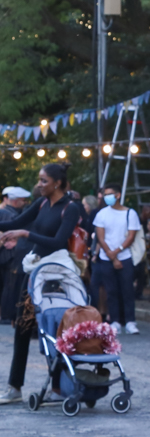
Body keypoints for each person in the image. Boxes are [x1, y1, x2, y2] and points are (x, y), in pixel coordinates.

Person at [0, 164, 81, 405]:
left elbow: (58, 242)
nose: (39, 185)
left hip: (55, 277)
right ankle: (15, 387)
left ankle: (57, 388)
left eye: (44, 181)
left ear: (57, 183)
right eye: (39, 180)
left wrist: (25, 234)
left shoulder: (70, 207)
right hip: (35, 273)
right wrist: (14, 231)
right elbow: (17, 222)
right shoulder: (43, 203)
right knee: (22, 329)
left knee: (54, 330)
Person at [92, 184, 142, 335]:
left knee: (127, 290)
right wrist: (111, 255)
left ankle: (130, 321)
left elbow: (131, 236)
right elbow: (100, 237)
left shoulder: (130, 213)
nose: (107, 197)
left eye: (110, 194)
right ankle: (115, 321)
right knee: (110, 290)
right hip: (106, 257)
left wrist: (117, 251)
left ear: (118, 195)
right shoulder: (102, 214)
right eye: (105, 194)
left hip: (125, 256)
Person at [0, 186, 31, 324]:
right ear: (15, 201)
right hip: (9, 256)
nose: (24, 203)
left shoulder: (7, 213)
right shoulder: (9, 214)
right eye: (22, 200)